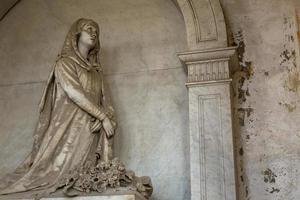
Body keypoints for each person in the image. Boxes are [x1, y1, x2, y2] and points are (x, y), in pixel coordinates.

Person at [0, 18, 116, 197]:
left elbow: (106, 101)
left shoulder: (96, 72)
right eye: (89, 29)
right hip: (66, 128)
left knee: (82, 175)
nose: (94, 33)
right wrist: (102, 116)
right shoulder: (65, 63)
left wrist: (106, 118)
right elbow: (74, 92)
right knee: (53, 172)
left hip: (90, 131)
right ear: (76, 33)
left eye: (96, 31)